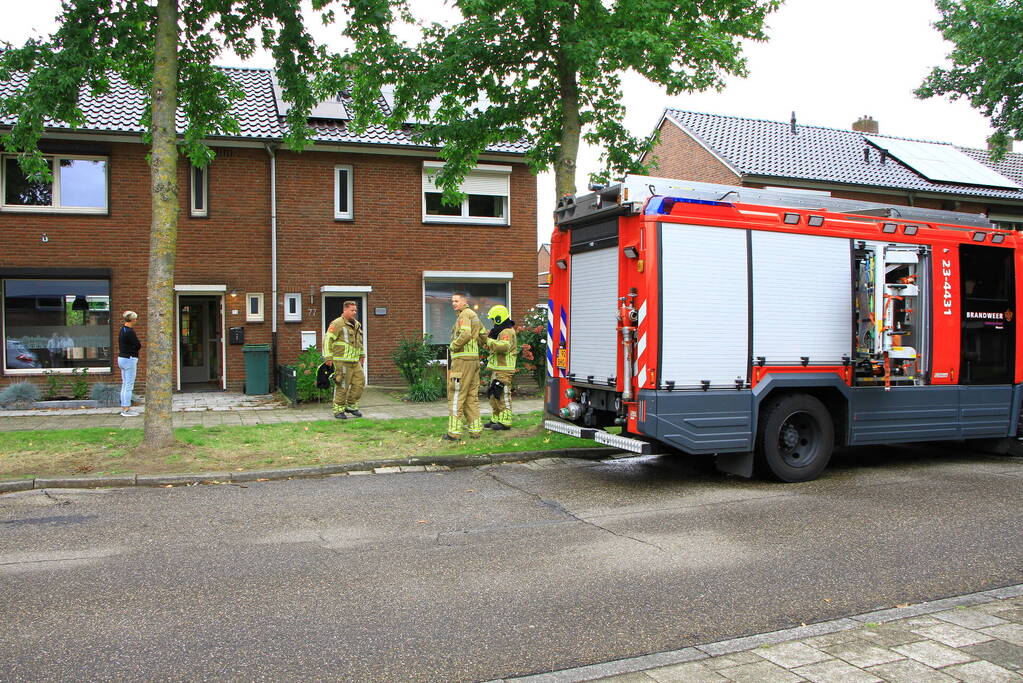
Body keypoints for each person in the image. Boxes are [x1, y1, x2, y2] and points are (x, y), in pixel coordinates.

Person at [444, 291, 483, 441]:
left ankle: (453, 433)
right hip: (473, 360)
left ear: (464, 302)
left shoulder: (464, 315)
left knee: (456, 395)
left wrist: (453, 346)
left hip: (462, 361)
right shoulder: (473, 315)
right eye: (452, 301)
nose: (453, 303)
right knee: (471, 396)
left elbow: (465, 334)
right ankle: (476, 430)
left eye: (456, 301)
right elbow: (483, 334)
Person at [323, 301, 365, 419]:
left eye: (355, 310)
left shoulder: (357, 324)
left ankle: (351, 406)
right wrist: (328, 357)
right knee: (342, 386)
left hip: (355, 362)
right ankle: (338, 410)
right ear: (345, 310)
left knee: (360, 383)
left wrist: (362, 354)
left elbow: (359, 342)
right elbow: (327, 339)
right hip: (342, 362)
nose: (354, 312)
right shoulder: (337, 323)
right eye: (352, 310)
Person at [480, 304, 517, 430]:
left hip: (504, 369)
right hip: (498, 369)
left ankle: (505, 422)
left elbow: (503, 347)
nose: (492, 322)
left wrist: (488, 341)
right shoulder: (500, 331)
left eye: (493, 319)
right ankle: (495, 419)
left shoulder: (507, 331)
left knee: (502, 395)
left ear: (498, 318)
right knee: (493, 394)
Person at [117, 311, 141, 417]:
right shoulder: (130, 331)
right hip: (129, 359)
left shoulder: (122, 330)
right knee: (129, 385)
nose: (136, 321)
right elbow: (138, 345)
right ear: (132, 320)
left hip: (121, 358)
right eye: (135, 319)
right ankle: (126, 409)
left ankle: (124, 407)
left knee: (125, 383)